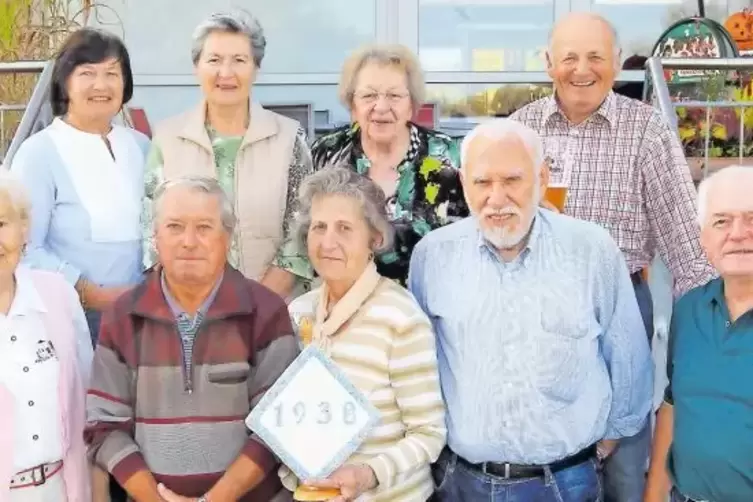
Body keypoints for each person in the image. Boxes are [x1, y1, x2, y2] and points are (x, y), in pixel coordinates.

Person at [510, 13, 716, 502]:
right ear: (548, 64)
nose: (582, 69)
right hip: (537, 307)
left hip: (620, 303)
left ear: (618, 63)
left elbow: (687, 246)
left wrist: (708, 339)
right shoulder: (522, 129)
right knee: (546, 447)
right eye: (570, 58)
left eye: (596, 57)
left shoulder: (646, 130)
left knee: (624, 456)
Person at [409, 119, 653, 501]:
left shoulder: (591, 250)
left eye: (512, 180)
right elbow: (419, 364)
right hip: (460, 483)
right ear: (463, 181)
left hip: (565, 483)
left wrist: (603, 445)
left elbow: (629, 358)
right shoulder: (432, 256)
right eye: (482, 182)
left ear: (541, 177)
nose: (497, 198)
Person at [85, 176, 299, 501]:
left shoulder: (266, 312)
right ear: (155, 237)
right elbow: (104, 426)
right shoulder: (123, 316)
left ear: (228, 237)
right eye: (174, 227)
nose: (188, 241)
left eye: (204, 227)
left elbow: (278, 427)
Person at [281, 167, 446, 501]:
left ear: (374, 238)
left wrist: (368, 475)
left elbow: (428, 433)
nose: (328, 242)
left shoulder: (400, 317)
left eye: (344, 228)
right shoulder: (298, 312)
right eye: (319, 227)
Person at [144, 10, 313, 299]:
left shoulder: (289, 138)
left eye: (239, 60)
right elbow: (152, 234)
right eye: (214, 60)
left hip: (273, 312)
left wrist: (257, 306)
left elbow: (301, 237)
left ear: (256, 68)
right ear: (196, 66)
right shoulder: (167, 139)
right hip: (188, 312)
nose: (226, 73)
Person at [9, 28, 149, 343]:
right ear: (65, 82)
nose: (101, 85)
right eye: (87, 73)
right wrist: (94, 295)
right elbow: (26, 247)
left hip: (143, 318)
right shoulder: (39, 153)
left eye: (112, 73)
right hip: (70, 319)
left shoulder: (141, 146)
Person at [310, 44, 468, 286]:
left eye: (394, 96)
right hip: (348, 310)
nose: (381, 107)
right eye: (369, 95)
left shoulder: (450, 158)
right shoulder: (327, 154)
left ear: (411, 104)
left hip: (430, 310)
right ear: (353, 104)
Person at [645, 166, 753, 502]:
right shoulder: (689, 309)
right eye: (722, 221)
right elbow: (672, 406)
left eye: (752, 218)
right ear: (703, 237)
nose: (738, 234)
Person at [0, 172, 93, 502]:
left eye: (1, 224)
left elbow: (86, 395)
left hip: (62, 489)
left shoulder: (58, 295)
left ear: (24, 228)